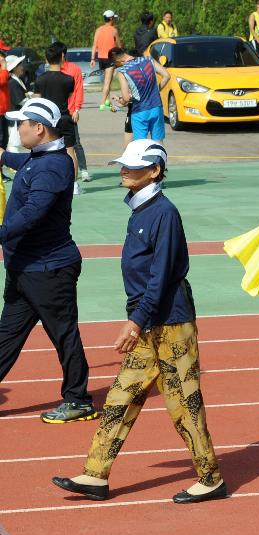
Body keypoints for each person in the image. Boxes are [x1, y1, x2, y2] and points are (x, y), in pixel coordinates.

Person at [52, 140, 226, 504]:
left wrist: (135, 321)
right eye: (123, 164)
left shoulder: (164, 213)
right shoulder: (141, 211)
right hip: (148, 321)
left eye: (133, 166)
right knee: (120, 397)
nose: (123, 170)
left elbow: (161, 276)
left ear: (155, 171)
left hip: (170, 323)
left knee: (184, 404)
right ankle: (96, 475)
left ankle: (210, 478)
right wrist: (139, 320)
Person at [0, 98, 94, 423]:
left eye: (21, 124)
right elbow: (17, 161)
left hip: (49, 270)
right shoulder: (38, 158)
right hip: (26, 269)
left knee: (64, 334)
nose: (18, 129)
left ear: (38, 128)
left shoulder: (52, 166)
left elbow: (31, 214)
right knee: (6, 336)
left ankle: (78, 399)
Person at [34, 43, 79, 191]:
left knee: (44, 152)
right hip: (64, 118)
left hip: (47, 120)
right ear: (62, 57)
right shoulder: (68, 79)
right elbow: (70, 95)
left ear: (46, 59)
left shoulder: (40, 79)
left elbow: (36, 101)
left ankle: (44, 182)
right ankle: (73, 184)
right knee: (70, 151)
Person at [108, 47, 169, 142]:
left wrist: (120, 101)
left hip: (140, 111)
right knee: (158, 144)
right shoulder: (148, 59)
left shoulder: (123, 72)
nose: (117, 67)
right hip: (156, 107)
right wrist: (156, 90)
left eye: (115, 64)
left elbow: (126, 98)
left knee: (140, 146)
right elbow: (166, 76)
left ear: (118, 60)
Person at [57, 42, 90, 192]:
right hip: (55, 114)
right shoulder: (54, 69)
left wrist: (77, 109)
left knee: (75, 143)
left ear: (63, 55)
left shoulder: (73, 69)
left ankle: (83, 170)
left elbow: (78, 90)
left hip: (70, 112)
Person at [91, 9, 121, 111]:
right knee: (107, 82)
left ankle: (108, 101)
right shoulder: (114, 30)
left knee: (107, 80)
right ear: (111, 18)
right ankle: (102, 104)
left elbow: (94, 45)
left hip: (101, 58)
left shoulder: (98, 30)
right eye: (114, 18)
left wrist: (92, 59)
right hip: (110, 57)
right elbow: (119, 46)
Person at [4, 55, 27, 154]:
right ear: (15, 68)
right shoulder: (12, 82)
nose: (22, 67)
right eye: (20, 65)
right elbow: (20, 100)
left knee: (17, 141)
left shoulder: (16, 80)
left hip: (17, 115)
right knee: (14, 141)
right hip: (14, 115)